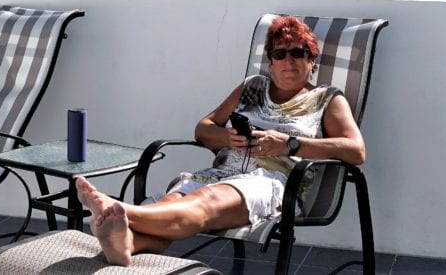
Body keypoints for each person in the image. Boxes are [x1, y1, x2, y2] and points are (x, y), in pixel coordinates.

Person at [76, 15, 366, 266]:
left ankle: (123, 211)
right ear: (270, 62)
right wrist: (227, 137)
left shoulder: (327, 99)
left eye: (298, 53)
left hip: (274, 183)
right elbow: (203, 129)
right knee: (177, 198)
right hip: (221, 172)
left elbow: (356, 151)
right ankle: (126, 244)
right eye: (279, 54)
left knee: (206, 199)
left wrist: (289, 144)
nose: (288, 60)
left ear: (312, 60)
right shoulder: (252, 86)